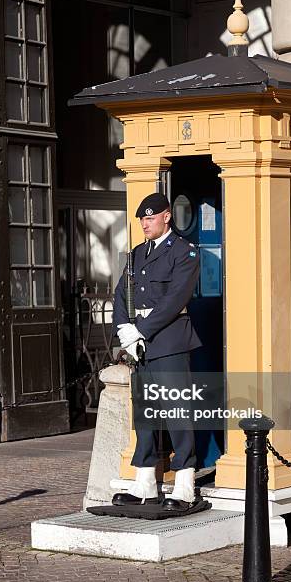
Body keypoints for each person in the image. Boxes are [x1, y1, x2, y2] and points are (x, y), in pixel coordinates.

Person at [112, 192, 201, 512]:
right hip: (141, 346)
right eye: (141, 219)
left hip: (170, 342)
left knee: (178, 412)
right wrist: (124, 329)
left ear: (166, 216)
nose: (144, 224)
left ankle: (185, 483)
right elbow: (121, 293)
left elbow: (176, 298)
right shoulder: (136, 254)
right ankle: (146, 482)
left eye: (150, 218)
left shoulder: (184, 252)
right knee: (146, 413)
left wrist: (142, 329)